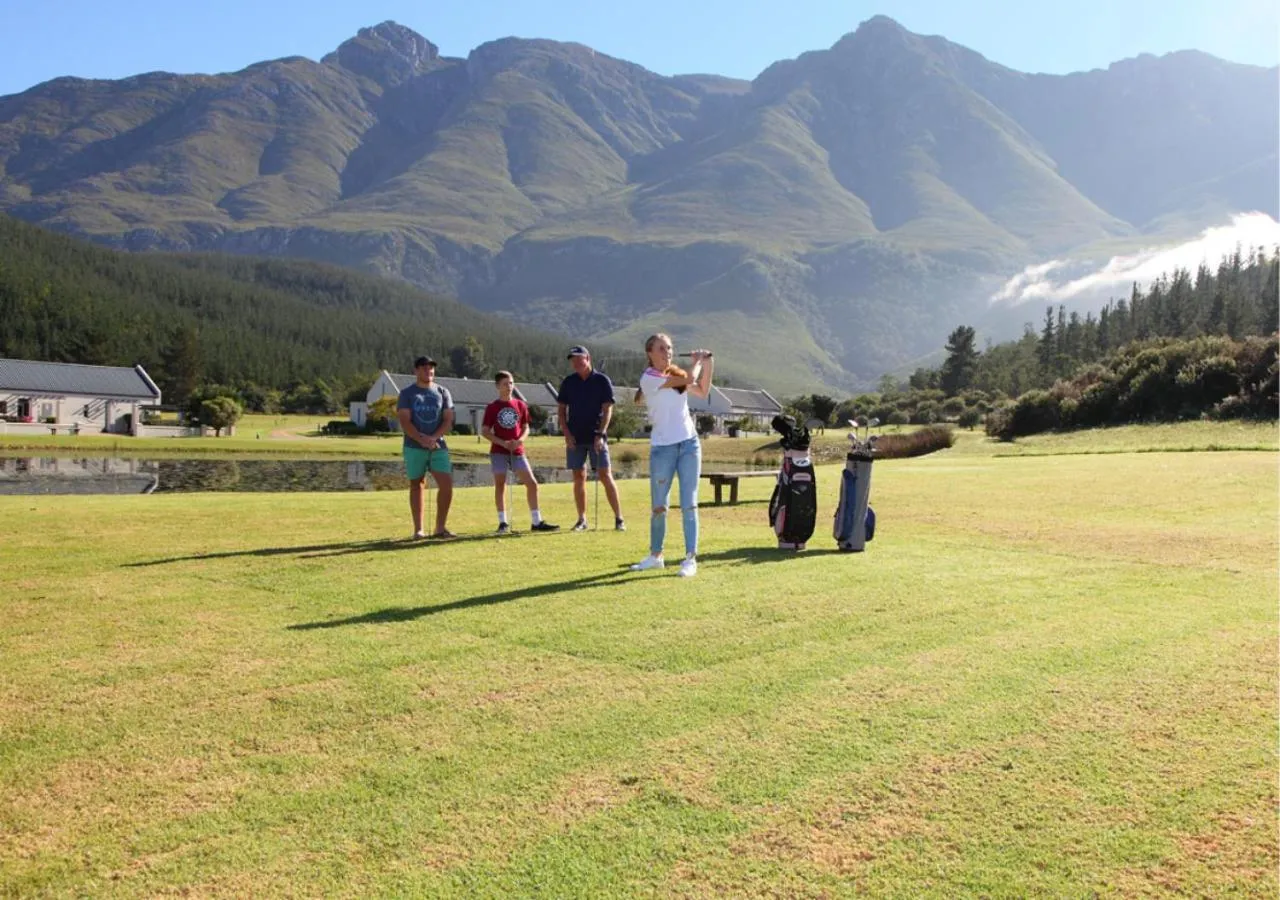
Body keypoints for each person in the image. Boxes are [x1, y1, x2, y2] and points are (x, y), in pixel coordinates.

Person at [630, 334, 713, 577]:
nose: (667, 352)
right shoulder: (650, 378)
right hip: (662, 448)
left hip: (689, 445)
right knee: (659, 506)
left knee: (689, 503)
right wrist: (697, 362)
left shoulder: (674, 374)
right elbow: (689, 377)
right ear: (650, 353)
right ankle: (656, 556)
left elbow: (702, 389)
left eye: (670, 348)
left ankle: (690, 559)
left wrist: (708, 364)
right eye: (662, 349)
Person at [556, 345, 625, 532]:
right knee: (579, 477)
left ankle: (619, 519)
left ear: (588, 358)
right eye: (573, 359)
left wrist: (601, 434)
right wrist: (567, 434)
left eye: (579, 358)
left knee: (605, 475)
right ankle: (581, 520)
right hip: (575, 438)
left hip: (596, 436)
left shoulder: (602, 380)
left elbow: (607, 409)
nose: (576, 362)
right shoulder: (569, 382)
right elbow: (562, 411)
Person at [481, 370, 560, 534]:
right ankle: (503, 522)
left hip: (517, 451)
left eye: (511, 383)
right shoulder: (492, 407)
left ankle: (536, 521)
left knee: (532, 483)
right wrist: (502, 443)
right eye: (505, 384)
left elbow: (526, 427)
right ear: (498, 386)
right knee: (500, 485)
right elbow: (485, 431)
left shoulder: (521, 405)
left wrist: (520, 440)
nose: (509, 386)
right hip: (498, 451)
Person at [397, 355, 456, 539]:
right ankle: (419, 530)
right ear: (416, 371)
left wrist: (433, 438)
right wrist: (422, 439)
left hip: (438, 446)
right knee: (417, 485)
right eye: (424, 368)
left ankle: (440, 528)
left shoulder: (443, 392)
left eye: (431, 368)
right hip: (414, 447)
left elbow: (448, 419)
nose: (428, 371)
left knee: (446, 486)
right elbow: (405, 421)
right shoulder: (407, 394)